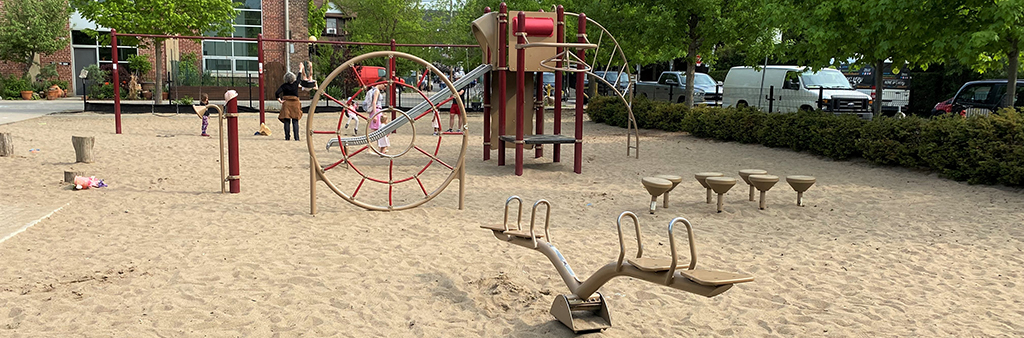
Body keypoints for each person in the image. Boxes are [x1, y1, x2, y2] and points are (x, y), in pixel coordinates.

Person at [275, 63, 317, 141]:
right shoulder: (295, 84)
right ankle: (296, 137)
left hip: (286, 103)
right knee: (295, 121)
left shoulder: (284, 86)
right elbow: (298, 77)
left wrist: (280, 100)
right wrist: (300, 69)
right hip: (295, 103)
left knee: (287, 120)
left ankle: (287, 137)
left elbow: (277, 93)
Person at [366, 81, 389, 154]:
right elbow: (374, 102)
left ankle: (381, 148)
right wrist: (375, 115)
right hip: (376, 111)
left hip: (377, 111)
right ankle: (369, 149)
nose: (385, 88)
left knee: (378, 130)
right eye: (384, 86)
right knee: (374, 132)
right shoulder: (376, 91)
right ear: (380, 83)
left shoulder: (374, 90)